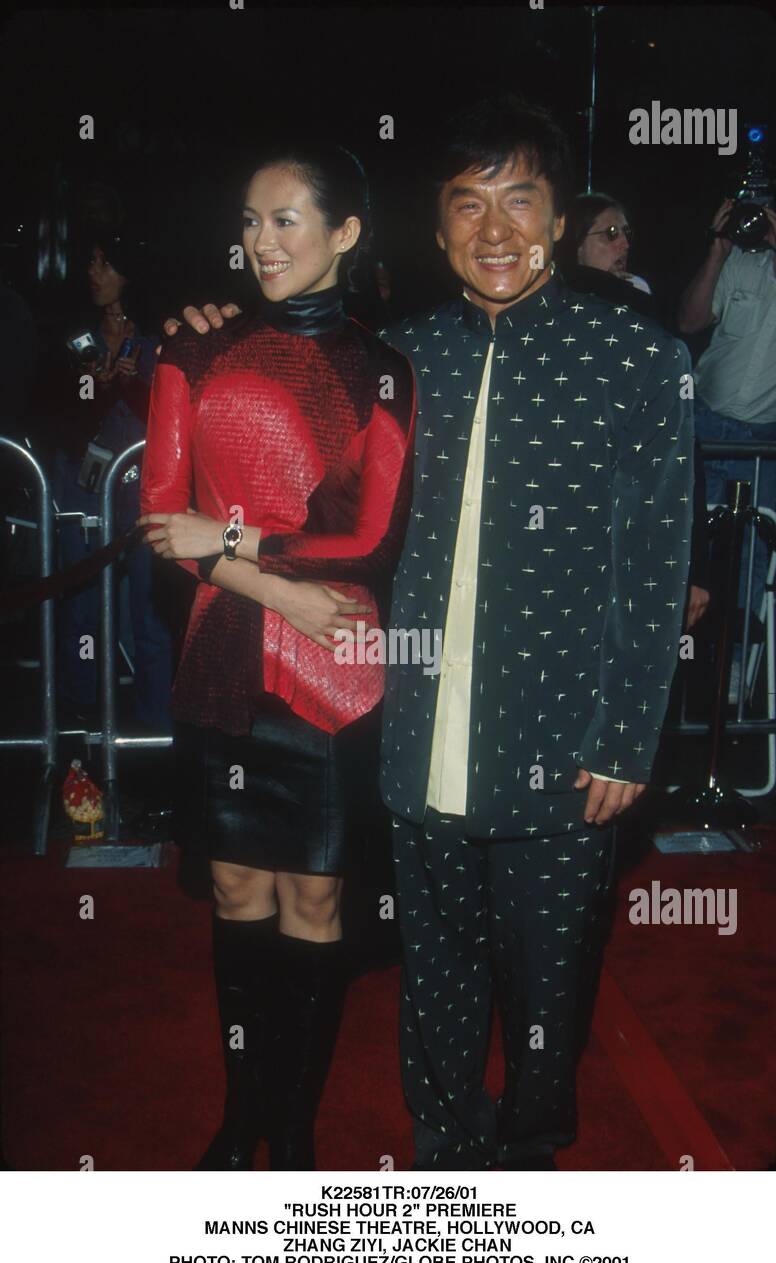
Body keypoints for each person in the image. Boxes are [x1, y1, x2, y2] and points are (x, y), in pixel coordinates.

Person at [169, 96, 695, 1172]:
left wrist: (625, 737)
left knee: (548, 973)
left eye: (520, 201)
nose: (493, 229)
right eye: (467, 204)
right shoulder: (396, 361)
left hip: (562, 733)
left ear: (558, 217)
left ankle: (531, 1148)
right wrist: (208, 326)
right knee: (435, 967)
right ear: (438, 226)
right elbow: (301, 488)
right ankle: (445, 1145)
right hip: (408, 723)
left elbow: (654, 563)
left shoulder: (632, 357)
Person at [138, 142, 415, 1170]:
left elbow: (376, 540)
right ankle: (238, 1111)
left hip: (332, 673)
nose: (262, 241)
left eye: (288, 219)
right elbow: (162, 520)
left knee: (315, 900)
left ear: (344, 232)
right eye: (251, 221)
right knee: (234, 896)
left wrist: (237, 543)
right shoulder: (191, 351)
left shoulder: (382, 368)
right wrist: (276, 586)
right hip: (222, 655)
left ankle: (290, 1128)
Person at [41, 228, 174, 731]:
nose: (93, 273)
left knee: (149, 605)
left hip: (143, 486)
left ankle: (156, 725)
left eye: (105, 264)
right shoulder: (75, 336)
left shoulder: (161, 338)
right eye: (90, 262)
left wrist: (132, 386)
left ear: (130, 273)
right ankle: (76, 716)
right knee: (80, 601)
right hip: (83, 482)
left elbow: (170, 414)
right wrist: (92, 390)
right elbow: (54, 413)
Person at [561, 193, 710, 630]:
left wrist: (691, 570)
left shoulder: (645, 315)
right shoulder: (542, 321)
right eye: (609, 234)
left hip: (636, 535)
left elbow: (680, 452)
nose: (623, 243)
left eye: (626, 233)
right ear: (573, 243)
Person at [677, 196, 776, 701]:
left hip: (764, 441)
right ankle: (668, 669)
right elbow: (691, 322)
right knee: (685, 543)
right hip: (706, 424)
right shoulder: (741, 261)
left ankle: (732, 669)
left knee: (753, 552)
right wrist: (718, 249)